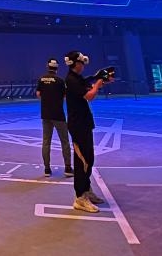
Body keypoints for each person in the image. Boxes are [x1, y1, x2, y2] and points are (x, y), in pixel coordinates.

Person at [65, 50, 113, 212]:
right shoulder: (71, 80)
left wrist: (99, 77)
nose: (83, 65)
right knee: (82, 161)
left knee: (89, 159)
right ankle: (79, 197)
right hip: (78, 125)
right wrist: (98, 85)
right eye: (81, 63)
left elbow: (86, 82)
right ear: (74, 63)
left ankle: (86, 189)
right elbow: (89, 96)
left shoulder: (77, 79)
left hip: (84, 123)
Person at [36, 58, 73, 177]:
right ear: (57, 67)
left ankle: (47, 169)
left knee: (46, 141)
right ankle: (67, 168)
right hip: (58, 114)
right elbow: (65, 96)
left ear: (47, 66)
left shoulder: (42, 79)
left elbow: (38, 94)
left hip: (45, 114)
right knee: (64, 141)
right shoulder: (60, 81)